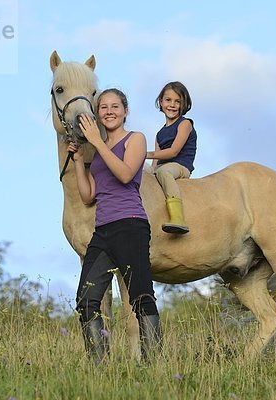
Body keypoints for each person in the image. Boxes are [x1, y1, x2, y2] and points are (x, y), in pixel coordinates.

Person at [67, 88, 161, 364]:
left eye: (115, 106)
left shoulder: (136, 140)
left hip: (131, 226)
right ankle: (101, 370)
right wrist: (77, 163)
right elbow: (87, 195)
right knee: (86, 301)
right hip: (103, 231)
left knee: (141, 296)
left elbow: (124, 174)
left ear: (125, 111)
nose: (109, 111)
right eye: (103, 107)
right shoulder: (98, 154)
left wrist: (96, 142)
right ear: (97, 114)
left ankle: (152, 367)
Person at [146, 81, 197, 234]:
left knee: (164, 172)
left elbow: (173, 151)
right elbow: (155, 163)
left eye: (177, 101)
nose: (172, 105)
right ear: (161, 102)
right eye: (168, 100)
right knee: (145, 172)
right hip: (162, 167)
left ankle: (177, 217)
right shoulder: (160, 134)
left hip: (180, 166)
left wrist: (145, 154)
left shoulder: (185, 124)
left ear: (184, 104)